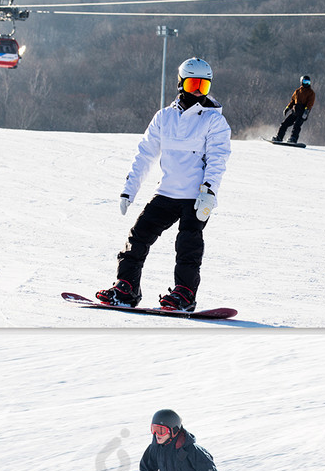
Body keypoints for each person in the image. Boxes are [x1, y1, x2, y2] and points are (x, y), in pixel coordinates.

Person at [96, 58, 231, 313]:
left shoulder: (214, 121)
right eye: (192, 85)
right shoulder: (165, 117)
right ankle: (126, 288)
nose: (196, 93)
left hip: (196, 197)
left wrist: (209, 191)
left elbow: (217, 159)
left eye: (203, 87)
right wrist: (130, 188)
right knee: (138, 237)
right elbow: (145, 154)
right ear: (180, 84)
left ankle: (185, 294)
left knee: (188, 246)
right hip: (167, 192)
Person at [272, 74, 315, 144]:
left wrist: (306, 112)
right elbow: (292, 101)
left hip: (302, 113)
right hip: (295, 112)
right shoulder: (297, 91)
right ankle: (279, 137)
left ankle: (293, 138)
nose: (306, 84)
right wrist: (287, 108)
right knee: (284, 124)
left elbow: (310, 103)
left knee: (297, 125)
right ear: (301, 82)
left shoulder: (311, 93)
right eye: (305, 81)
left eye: (308, 82)